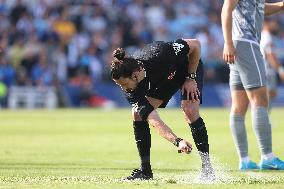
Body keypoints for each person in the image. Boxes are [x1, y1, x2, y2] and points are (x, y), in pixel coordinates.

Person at [110, 38, 214, 181]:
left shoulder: (159, 53)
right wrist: (177, 141)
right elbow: (153, 119)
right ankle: (145, 172)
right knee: (138, 114)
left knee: (189, 110)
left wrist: (190, 78)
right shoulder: (132, 90)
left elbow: (195, 44)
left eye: (124, 84)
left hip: (187, 68)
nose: (124, 89)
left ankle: (208, 170)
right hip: (166, 80)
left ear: (135, 76)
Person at [221, 0, 284, 170]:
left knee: (239, 106)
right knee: (260, 101)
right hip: (246, 44)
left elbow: (260, 9)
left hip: (239, 46)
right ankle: (268, 157)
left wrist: (280, 5)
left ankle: (245, 161)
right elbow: (227, 8)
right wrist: (227, 43)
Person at [260, 18, 284, 108]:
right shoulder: (267, 37)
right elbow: (270, 55)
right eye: (274, 22)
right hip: (267, 71)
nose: (276, 25)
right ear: (267, 23)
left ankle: (264, 118)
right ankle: (263, 119)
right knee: (268, 95)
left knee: (270, 95)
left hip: (263, 69)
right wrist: (280, 70)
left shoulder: (262, 36)